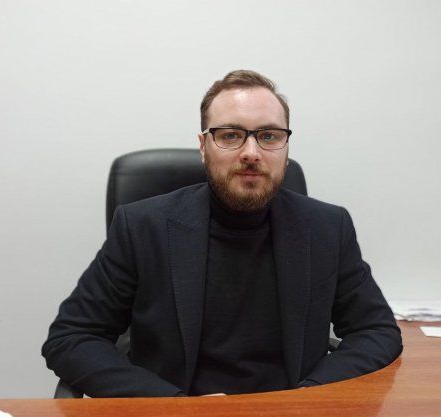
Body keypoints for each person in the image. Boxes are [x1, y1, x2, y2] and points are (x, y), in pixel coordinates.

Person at [42, 69, 402, 397]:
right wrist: (174, 405)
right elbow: (72, 337)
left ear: (286, 148)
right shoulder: (141, 227)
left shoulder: (327, 228)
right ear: (204, 147)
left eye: (269, 136)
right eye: (230, 135)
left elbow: (376, 331)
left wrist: (309, 395)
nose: (251, 152)